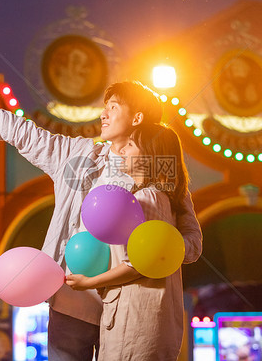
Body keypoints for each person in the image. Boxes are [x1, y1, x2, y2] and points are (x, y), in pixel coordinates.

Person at [0, 74, 203, 360]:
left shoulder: (160, 175)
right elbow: (21, 132)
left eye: (114, 107)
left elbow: (192, 244)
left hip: (128, 309)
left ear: (138, 117)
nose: (103, 113)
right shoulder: (79, 156)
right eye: (105, 106)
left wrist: (157, 249)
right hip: (73, 302)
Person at [66, 123, 189, 360]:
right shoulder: (161, 197)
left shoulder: (146, 198)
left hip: (134, 322)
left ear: (150, 156)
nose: (122, 151)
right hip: (145, 320)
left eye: (131, 144)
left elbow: (138, 265)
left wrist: (89, 282)